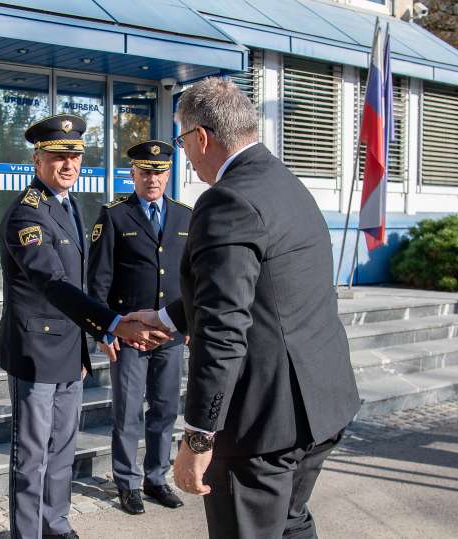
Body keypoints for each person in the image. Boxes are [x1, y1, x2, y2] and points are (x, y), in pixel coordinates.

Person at [127, 78, 360, 539]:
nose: (186, 157)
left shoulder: (225, 200)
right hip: (320, 405)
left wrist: (198, 437)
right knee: (291, 523)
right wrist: (168, 317)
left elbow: (223, 329)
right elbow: (249, 289)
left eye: (181, 141)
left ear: (202, 138)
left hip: (263, 423)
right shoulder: (283, 181)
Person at [0, 114, 170, 539]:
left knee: (63, 449)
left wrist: (97, 333)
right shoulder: (26, 215)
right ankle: (28, 533)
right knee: (32, 454)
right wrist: (111, 322)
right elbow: (52, 282)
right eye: (58, 157)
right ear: (37, 160)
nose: (68, 165)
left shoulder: (73, 206)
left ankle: (56, 523)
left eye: (74, 156)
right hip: (35, 352)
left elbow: (83, 283)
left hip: (71, 347)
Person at [87, 141, 191, 515]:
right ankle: (127, 482)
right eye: (145, 171)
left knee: (164, 409)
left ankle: (156, 478)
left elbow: (191, 277)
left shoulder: (185, 216)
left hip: (171, 333)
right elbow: (98, 279)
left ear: (168, 174)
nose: (153, 178)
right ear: (133, 174)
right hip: (129, 334)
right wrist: (103, 330)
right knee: (128, 411)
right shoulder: (114, 215)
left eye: (159, 171)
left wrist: (190, 321)